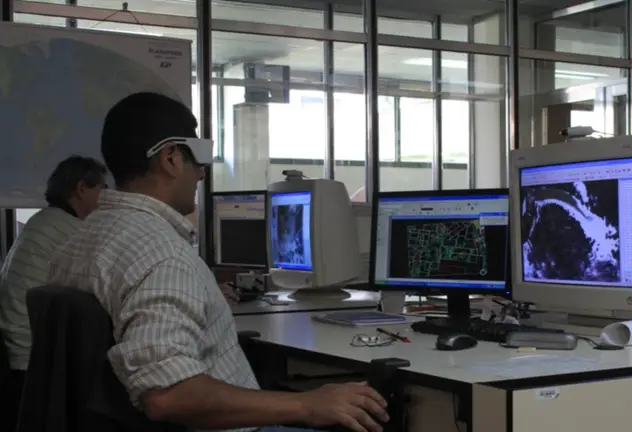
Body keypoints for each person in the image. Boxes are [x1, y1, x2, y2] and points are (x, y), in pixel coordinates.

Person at [46, 92, 388, 432]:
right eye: (200, 157)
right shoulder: (162, 254)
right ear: (171, 158)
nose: (202, 173)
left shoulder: (80, 241)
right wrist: (307, 405)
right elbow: (167, 394)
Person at [0, 155, 107, 430]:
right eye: (102, 188)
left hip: (17, 350)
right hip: (30, 357)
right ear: (82, 188)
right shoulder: (71, 231)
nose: (107, 198)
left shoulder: (43, 221)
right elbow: (107, 284)